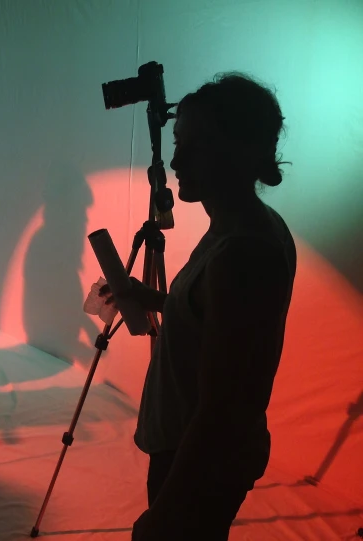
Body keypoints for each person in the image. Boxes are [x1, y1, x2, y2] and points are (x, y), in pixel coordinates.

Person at [95, 73, 296, 539]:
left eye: (195, 146)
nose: (177, 160)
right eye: (177, 141)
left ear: (238, 151)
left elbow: (222, 411)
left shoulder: (243, 254)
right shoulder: (239, 229)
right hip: (190, 449)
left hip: (198, 460)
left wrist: (166, 514)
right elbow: (220, 323)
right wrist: (159, 300)